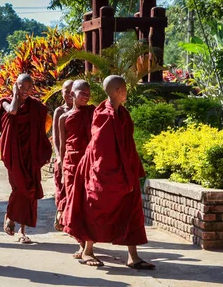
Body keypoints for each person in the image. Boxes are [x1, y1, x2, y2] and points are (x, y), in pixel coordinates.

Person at [62, 75, 155, 270]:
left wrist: (132, 169)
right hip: (102, 170)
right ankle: (88, 250)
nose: (127, 93)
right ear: (118, 91)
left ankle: (133, 256)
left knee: (132, 209)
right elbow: (100, 149)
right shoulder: (103, 114)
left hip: (124, 170)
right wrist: (109, 175)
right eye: (125, 89)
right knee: (93, 206)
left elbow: (127, 143)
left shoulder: (123, 113)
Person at [0, 73, 52, 243]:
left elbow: (41, 132)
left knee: (30, 190)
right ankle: (11, 215)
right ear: (15, 86)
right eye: (22, 86)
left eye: (29, 87)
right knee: (19, 188)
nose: (26, 90)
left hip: (31, 155)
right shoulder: (5, 102)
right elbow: (12, 111)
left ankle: (23, 230)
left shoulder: (36, 107)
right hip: (13, 154)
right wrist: (14, 95)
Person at [57, 80, 95, 258]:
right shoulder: (63, 117)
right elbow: (63, 146)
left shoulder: (93, 112)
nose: (86, 96)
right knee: (73, 202)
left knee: (87, 203)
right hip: (71, 163)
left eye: (88, 93)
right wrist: (63, 168)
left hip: (89, 163)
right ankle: (81, 242)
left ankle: (86, 244)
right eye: (82, 93)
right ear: (72, 94)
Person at [51, 80, 73, 230]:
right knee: (62, 188)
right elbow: (56, 137)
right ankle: (60, 213)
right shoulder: (60, 111)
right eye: (66, 91)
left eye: (72, 91)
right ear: (62, 93)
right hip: (63, 157)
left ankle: (69, 219)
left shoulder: (86, 111)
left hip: (77, 157)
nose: (69, 94)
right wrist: (59, 156)